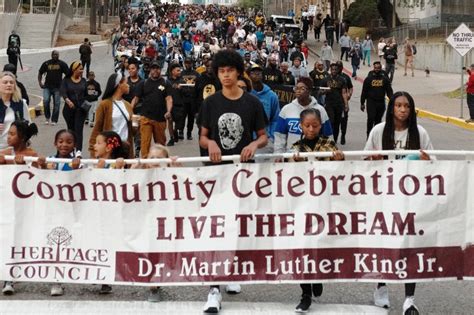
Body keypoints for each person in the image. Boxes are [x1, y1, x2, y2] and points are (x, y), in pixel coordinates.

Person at [199, 49, 268, 314]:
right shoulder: (211, 103)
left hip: (243, 175)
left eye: (230, 70)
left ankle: (233, 273)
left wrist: (253, 144)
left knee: (237, 226)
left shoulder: (252, 103)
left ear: (239, 72)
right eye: (221, 71)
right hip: (215, 173)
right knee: (216, 229)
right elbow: (202, 137)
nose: (226, 75)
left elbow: (263, 136)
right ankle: (213, 289)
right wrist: (212, 142)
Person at [365, 91, 434, 315]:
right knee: (384, 245)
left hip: (410, 201)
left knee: (408, 248)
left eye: (407, 106)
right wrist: (372, 159)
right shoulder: (378, 131)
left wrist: (426, 161)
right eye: (398, 105)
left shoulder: (420, 133)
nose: (403, 110)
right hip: (383, 198)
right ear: (392, 108)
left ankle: (409, 299)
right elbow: (363, 161)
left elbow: (434, 162)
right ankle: (381, 287)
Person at [291, 108, 344, 312]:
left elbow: (341, 174)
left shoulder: (329, 146)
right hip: (303, 206)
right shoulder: (296, 148)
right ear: (301, 126)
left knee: (321, 243)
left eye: (315, 125)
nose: (311, 129)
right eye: (307, 126)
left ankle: (318, 275)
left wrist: (339, 160)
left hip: (324, 204)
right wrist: (291, 163)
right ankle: (305, 293)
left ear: (321, 125)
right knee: (303, 247)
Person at [274, 77, 333, 155]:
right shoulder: (286, 109)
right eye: (296, 88)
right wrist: (278, 154)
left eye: (302, 89)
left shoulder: (320, 110)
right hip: (292, 156)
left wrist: (330, 154)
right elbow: (280, 135)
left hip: (314, 156)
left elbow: (328, 135)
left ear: (310, 91)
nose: (298, 91)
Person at [131, 60, 173, 158]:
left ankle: (163, 165)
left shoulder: (166, 83)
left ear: (160, 70)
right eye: (153, 68)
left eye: (157, 68)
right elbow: (136, 98)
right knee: (145, 143)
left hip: (160, 119)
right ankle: (145, 166)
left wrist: (169, 111)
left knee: (161, 145)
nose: (155, 71)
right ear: (150, 70)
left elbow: (169, 99)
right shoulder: (143, 83)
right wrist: (129, 110)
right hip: (146, 118)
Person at [89, 72, 134, 158]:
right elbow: (97, 129)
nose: (128, 85)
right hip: (110, 149)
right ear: (119, 84)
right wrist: (93, 152)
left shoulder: (128, 105)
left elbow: (133, 132)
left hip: (125, 149)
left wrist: (136, 124)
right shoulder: (104, 105)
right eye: (126, 83)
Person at [248, 63, 280, 153]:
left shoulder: (272, 96)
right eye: (253, 72)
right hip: (247, 139)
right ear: (249, 75)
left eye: (259, 72)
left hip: (264, 140)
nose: (256, 74)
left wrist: (271, 136)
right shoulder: (246, 94)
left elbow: (275, 119)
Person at [60, 61, 88, 153]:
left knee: (79, 130)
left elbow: (87, 94)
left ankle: (78, 151)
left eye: (82, 69)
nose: (82, 71)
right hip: (69, 110)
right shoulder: (66, 80)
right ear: (74, 70)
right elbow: (63, 92)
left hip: (81, 110)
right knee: (71, 130)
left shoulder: (84, 81)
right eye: (80, 69)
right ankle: (71, 149)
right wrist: (68, 101)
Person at [360, 61, 394, 137]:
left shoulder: (384, 78)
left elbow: (389, 91)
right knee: (371, 118)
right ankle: (369, 135)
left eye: (378, 68)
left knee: (378, 120)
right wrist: (362, 103)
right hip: (371, 102)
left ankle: (376, 136)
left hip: (381, 102)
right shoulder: (369, 78)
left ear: (381, 68)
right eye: (375, 68)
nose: (377, 70)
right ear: (373, 68)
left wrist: (393, 101)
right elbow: (364, 91)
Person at [0, 71, 30, 150]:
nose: (9, 85)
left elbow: (28, 124)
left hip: (16, 150)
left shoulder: (21, 104)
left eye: (11, 82)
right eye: (5, 82)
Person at [38, 50, 70, 126]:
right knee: (46, 101)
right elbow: (40, 72)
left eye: (57, 54)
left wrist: (64, 83)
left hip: (58, 88)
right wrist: (40, 82)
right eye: (54, 54)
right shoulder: (46, 63)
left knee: (57, 104)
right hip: (47, 87)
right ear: (51, 55)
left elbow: (68, 74)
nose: (55, 56)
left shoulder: (62, 64)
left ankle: (54, 120)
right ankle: (47, 117)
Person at [320, 63, 348, 144]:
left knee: (337, 123)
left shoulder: (342, 80)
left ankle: (335, 140)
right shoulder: (325, 80)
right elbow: (320, 92)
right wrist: (325, 91)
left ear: (338, 70)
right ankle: (330, 139)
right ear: (330, 70)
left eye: (335, 70)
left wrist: (346, 104)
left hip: (339, 104)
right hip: (329, 104)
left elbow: (344, 93)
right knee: (331, 121)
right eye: (332, 70)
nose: (334, 71)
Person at [166, 63, 186, 146]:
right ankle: (171, 138)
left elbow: (187, 92)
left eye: (180, 70)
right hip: (170, 106)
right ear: (172, 71)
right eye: (177, 70)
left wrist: (181, 89)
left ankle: (175, 131)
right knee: (170, 121)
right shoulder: (167, 81)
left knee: (179, 123)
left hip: (180, 105)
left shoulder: (182, 81)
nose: (179, 72)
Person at [181, 57, 201, 140]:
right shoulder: (181, 73)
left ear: (192, 63)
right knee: (182, 117)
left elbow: (199, 85)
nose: (188, 64)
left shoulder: (196, 74)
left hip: (193, 99)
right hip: (183, 99)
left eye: (189, 63)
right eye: (186, 63)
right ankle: (180, 132)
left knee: (191, 118)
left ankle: (189, 133)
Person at [335, 60, 353, 145]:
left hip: (343, 101)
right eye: (336, 67)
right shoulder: (332, 76)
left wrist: (349, 94)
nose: (338, 69)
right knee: (335, 121)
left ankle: (343, 135)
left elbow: (350, 87)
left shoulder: (346, 77)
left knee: (344, 120)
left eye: (339, 67)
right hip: (334, 102)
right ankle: (335, 137)